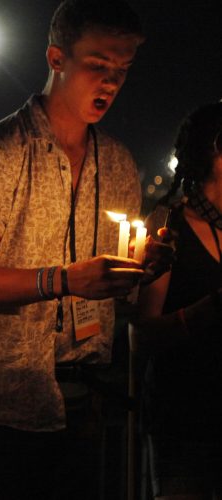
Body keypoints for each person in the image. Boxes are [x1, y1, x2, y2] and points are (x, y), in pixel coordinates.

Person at [0, 1, 171, 498]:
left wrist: (141, 270)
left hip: (85, 404)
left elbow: (119, 294)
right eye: (97, 66)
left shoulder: (116, 164)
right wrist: (64, 280)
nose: (110, 83)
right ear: (56, 58)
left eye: (122, 71)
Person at [133, 103, 222, 499]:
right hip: (185, 423)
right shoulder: (169, 226)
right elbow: (142, 334)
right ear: (217, 150)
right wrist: (207, 311)